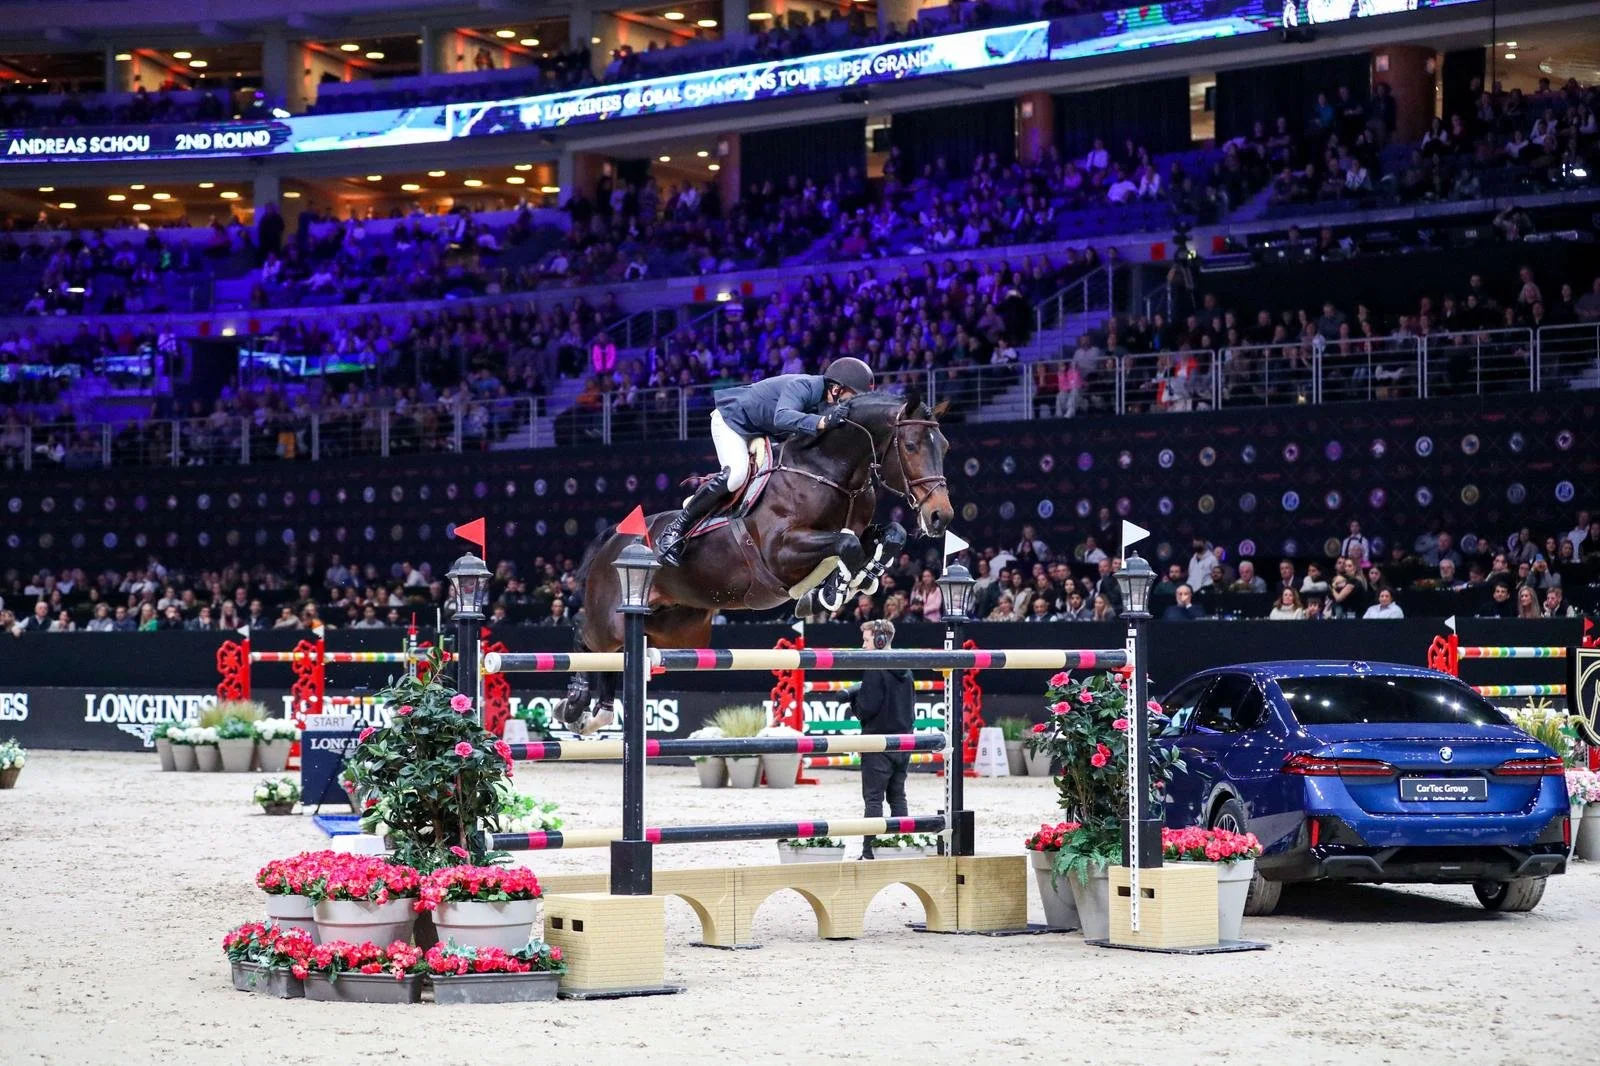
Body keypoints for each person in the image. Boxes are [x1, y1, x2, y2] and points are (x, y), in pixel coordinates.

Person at [655, 357, 875, 566]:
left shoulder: (828, 404)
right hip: (733, 422)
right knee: (736, 475)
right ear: (836, 388)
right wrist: (824, 421)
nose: (852, 403)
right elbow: (782, 417)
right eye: (853, 396)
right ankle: (674, 530)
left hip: (762, 432)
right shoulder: (803, 386)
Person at [850, 620, 914, 861]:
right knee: (898, 796)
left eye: (866, 640)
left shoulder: (875, 668)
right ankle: (901, 847)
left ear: (879, 640)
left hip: (878, 743)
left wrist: (854, 701)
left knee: (873, 799)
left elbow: (867, 708)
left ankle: (869, 853)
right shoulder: (906, 667)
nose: (863, 645)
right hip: (904, 742)